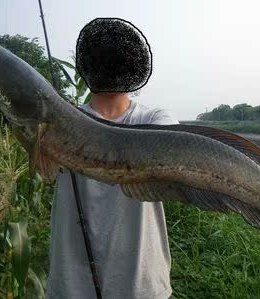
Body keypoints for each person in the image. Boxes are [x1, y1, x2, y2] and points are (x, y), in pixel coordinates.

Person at [47, 18, 178, 299]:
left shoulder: (155, 121)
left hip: (141, 286)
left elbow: (172, 145)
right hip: (76, 286)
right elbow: (44, 169)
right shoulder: (56, 121)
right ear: (137, 67)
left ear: (85, 67)